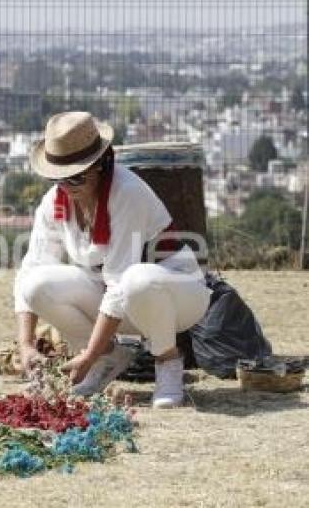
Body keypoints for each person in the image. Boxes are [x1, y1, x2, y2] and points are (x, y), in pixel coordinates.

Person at [13, 112, 210, 408]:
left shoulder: (126, 192)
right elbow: (33, 266)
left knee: (138, 280)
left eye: (77, 175)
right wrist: (26, 345)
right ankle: (108, 359)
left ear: (101, 164)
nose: (68, 186)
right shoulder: (55, 201)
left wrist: (88, 353)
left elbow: (120, 282)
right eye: (59, 177)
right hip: (117, 297)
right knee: (35, 285)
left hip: (177, 295)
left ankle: (167, 363)